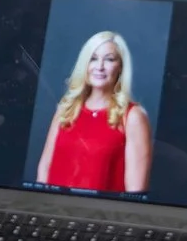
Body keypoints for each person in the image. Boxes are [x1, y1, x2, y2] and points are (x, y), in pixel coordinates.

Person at [34, 30, 153, 194]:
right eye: (93, 59)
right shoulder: (66, 108)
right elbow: (44, 172)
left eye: (109, 59)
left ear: (120, 67)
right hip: (54, 210)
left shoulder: (133, 116)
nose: (100, 67)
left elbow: (135, 191)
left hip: (101, 215)